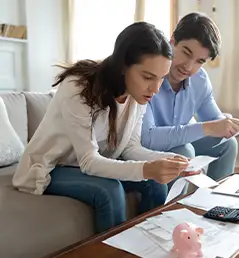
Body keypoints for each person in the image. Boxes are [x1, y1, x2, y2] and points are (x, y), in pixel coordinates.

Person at [12, 22, 197, 234]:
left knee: (154, 184)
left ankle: (148, 246)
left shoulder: (137, 95)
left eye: (161, 79)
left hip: (89, 164)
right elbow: (89, 161)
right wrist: (147, 168)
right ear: (122, 66)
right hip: (53, 166)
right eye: (148, 77)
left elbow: (130, 148)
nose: (155, 89)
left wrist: (174, 161)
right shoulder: (78, 87)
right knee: (109, 190)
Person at [141, 12, 239, 187]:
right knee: (184, 150)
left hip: (177, 142)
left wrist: (234, 127)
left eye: (199, 61)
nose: (188, 67)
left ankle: (215, 205)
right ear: (172, 41)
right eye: (186, 53)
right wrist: (210, 127)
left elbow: (214, 119)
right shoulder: (150, 75)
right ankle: (174, 213)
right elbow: (148, 138)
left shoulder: (200, 80)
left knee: (228, 145)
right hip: (147, 147)